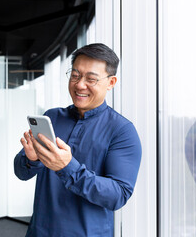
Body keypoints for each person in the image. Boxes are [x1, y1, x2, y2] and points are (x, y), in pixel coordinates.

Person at [14, 43, 142, 237]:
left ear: (111, 82)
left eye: (91, 79)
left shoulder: (122, 131)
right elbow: (20, 172)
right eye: (75, 76)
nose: (80, 84)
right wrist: (32, 160)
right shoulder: (52, 117)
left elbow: (118, 195)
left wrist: (67, 167)